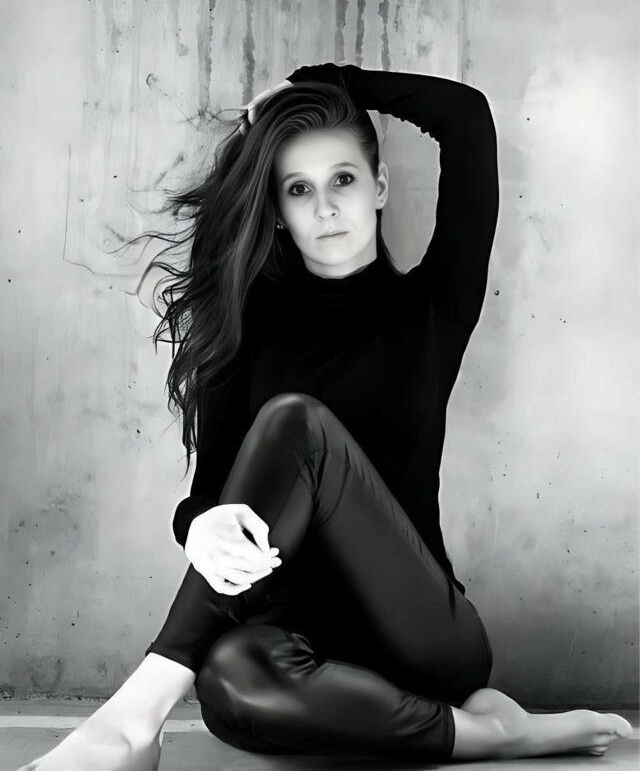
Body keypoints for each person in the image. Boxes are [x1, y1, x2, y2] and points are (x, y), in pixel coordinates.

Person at [18, 63, 631, 770]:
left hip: (422, 632)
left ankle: (131, 723)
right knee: (230, 682)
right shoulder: (245, 330)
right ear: (278, 210)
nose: (326, 207)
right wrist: (198, 526)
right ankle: (492, 733)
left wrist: (326, 78)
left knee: (295, 423)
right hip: (296, 632)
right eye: (299, 189)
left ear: (380, 187)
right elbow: (212, 492)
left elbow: (464, 115)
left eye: (343, 179)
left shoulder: (434, 307)